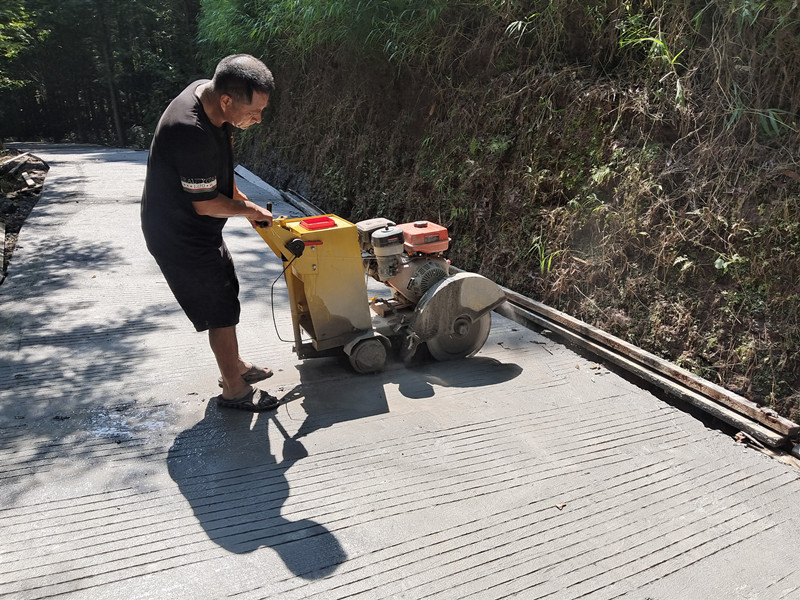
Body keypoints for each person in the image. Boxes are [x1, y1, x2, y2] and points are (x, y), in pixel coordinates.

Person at [141, 54, 278, 412]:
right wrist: (250, 211)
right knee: (219, 309)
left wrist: (245, 203)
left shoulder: (209, 95)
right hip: (178, 234)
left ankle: (235, 365)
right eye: (254, 111)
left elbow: (219, 178)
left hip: (195, 228)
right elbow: (205, 203)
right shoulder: (191, 130)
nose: (258, 119)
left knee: (227, 292)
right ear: (227, 100)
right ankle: (234, 389)